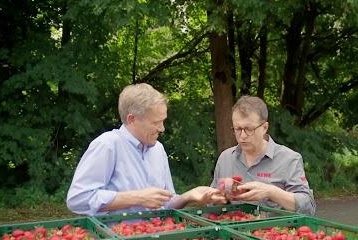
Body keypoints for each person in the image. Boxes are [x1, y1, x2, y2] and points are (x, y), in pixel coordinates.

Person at [67, 83, 223, 216]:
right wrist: (137, 198)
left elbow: (165, 204)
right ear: (132, 119)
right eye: (155, 122)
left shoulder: (158, 149)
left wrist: (188, 196)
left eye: (163, 121)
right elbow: (78, 199)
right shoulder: (107, 145)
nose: (162, 128)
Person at [211, 95, 316, 215]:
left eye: (249, 129)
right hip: (231, 231)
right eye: (238, 129)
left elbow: (308, 207)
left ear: (264, 127)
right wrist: (221, 196)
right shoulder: (225, 158)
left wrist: (270, 192)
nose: (243, 135)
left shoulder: (289, 159)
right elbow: (212, 208)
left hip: (274, 231)